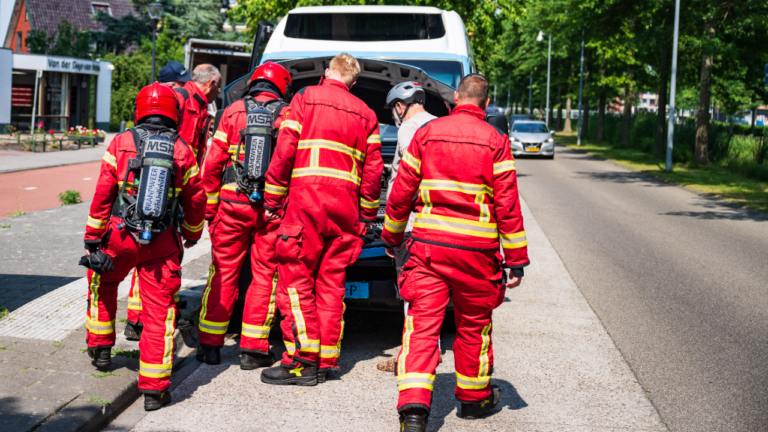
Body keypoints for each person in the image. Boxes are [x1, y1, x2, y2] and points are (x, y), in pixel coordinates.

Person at [381, 74, 529, 431]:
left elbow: (402, 191)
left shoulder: (427, 134)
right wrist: (517, 260)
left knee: (421, 328)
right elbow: (508, 206)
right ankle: (473, 399)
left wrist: (392, 236)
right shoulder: (496, 140)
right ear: (487, 105)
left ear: (454, 100)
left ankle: (414, 411)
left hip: (430, 250)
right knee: (473, 327)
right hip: (477, 254)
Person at [260, 53, 383, 386]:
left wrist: (272, 198)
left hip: (305, 206)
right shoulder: (367, 114)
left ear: (328, 72)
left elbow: (284, 150)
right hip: (344, 213)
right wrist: (367, 215)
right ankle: (327, 360)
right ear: (353, 82)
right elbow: (374, 171)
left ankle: (301, 362)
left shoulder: (305, 99)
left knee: (296, 284)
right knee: (331, 286)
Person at [81, 82, 205, 411]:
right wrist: (192, 234)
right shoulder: (182, 149)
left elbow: (103, 193)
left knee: (103, 283)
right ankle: (154, 390)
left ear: (139, 110)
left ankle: (101, 349)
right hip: (162, 244)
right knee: (159, 314)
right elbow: (196, 200)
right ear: (174, 113)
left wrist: (93, 237)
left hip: (119, 236)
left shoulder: (120, 143)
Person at [196, 62, 292, 368]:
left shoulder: (233, 111)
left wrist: (210, 210)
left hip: (231, 204)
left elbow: (212, 165)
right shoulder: (288, 114)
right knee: (265, 275)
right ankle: (253, 350)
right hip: (270, 209)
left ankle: (209, 345)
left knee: (223, 271)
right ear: (281, 87)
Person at [124, 63, 220, 340]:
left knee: (159, 252)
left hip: (175, 185)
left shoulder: (199, 106)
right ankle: (141, 318)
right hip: (167, 188)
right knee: (157, 251)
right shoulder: (183, 99)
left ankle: (140, 317)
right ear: (212, 84)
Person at [377, 82, 437, 373]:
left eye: (393, 110)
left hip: (413, 225)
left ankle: (410, 356)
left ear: (400, 106)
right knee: (434, 294)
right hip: (440, 224)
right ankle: (429, 350)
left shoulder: (408, 128)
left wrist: (393, 231)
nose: (393, 116)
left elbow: (404, 184)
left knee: (412, 291)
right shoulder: (441, 125)